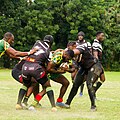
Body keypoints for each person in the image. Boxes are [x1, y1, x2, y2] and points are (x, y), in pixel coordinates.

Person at [64, 38, 104, 111]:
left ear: (74, 46)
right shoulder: (72, 57)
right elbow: (74, 69)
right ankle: (67, 103)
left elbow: (75, 51)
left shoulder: (80, 47)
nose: (69, 51)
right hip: (84, 68)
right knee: (75, 84)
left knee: (89, 84)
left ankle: (93, 106)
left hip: (94, 66)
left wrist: (68, 53)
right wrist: (65, 69)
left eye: (70, 49)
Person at [21, 35, 57, 111]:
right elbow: (49, 64)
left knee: (27, 84)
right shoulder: (48, 50)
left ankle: (20, 103)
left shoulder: (37, 43)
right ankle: (53, 106)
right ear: (51, 43)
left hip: (25, 66)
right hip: (36, 69)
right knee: (47, 86)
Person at [76, 31, 92, 97]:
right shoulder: (76, 43)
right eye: (79, 35)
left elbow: (90, 51)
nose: (80, 37)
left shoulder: (87, 43)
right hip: (76, 61)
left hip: (83, 61)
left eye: (81, 36)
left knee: (82, 77)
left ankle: (81, 92)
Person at [92, 31, 105, 97]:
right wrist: (97, 63)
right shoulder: (95, 44)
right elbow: (95, 53)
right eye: (102, 36)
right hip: (96, 63)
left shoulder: (98, 43)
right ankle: (92, 93)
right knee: (94, 80)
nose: (103, 37)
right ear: (98, 36)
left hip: (98, 62)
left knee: (102, 79)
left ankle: (93, 92)